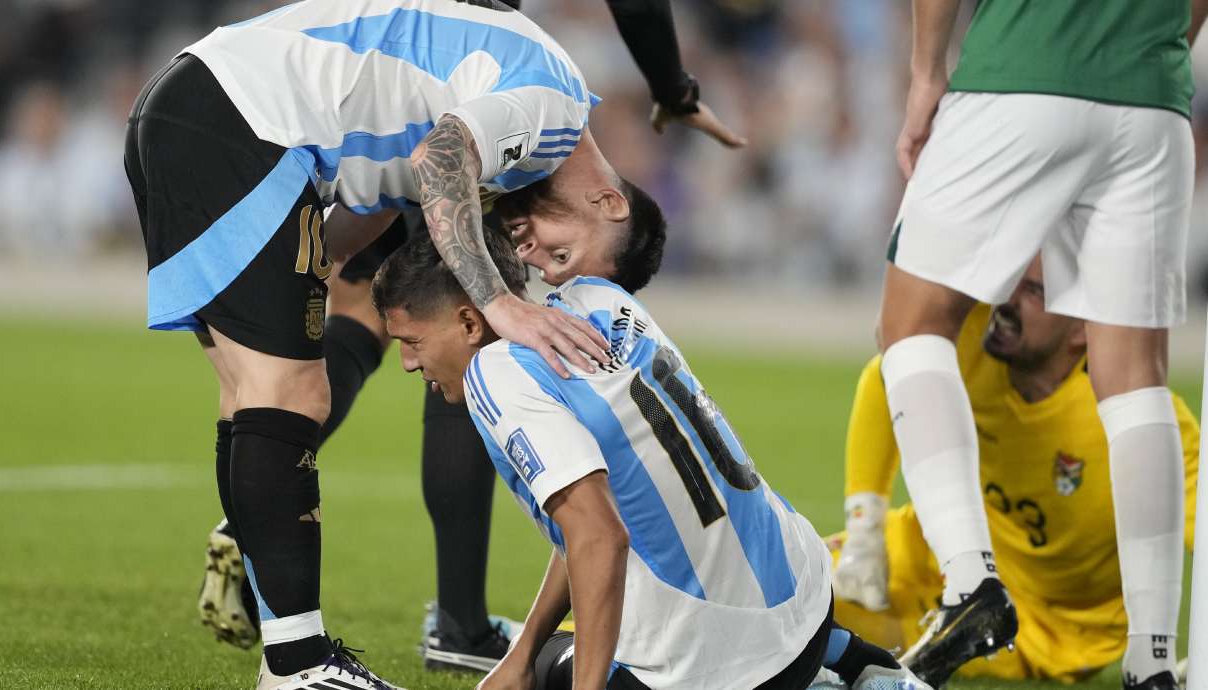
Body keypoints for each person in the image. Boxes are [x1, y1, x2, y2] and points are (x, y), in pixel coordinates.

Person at [125, 0, 677, 685]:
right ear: (609, 204)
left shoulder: (517, 129)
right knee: (292, 391)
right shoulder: (555, 108)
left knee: (251, 396)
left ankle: (282, 624)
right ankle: (299, 666)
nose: (537, 258)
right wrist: (501, 304)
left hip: (196, 105)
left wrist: (304, 268)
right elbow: (436, 159)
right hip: (241, 124)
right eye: (563, 257)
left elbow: (382, 189)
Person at [371, 230, 931, 690]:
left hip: (726, 669)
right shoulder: (597, 299)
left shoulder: (495, 373)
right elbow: (590, 521)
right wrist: (519, 653)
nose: (406, 363)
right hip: (806, 599)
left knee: (556, 667)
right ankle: (853, 659)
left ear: (470, 323)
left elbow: (598, 537)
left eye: (413, 341)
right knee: (540, 646)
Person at [876, 2, 1208, 686]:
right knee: (1135, 378)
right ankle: (1151, 658)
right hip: (1153, 96)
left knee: (912, 324)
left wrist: (925, 75)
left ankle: (971, 586)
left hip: (1021, 69)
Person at [830, 258, 1199, 683]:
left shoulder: (1145, 431)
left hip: (1049, 628)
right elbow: (885, 378)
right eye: (1012, 282)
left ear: (1084, 328)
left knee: (864, 646)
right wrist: (865, 534)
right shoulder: (970, 339)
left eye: (1035, 292)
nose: (1007, 301)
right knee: (794, 586)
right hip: (930, 558)